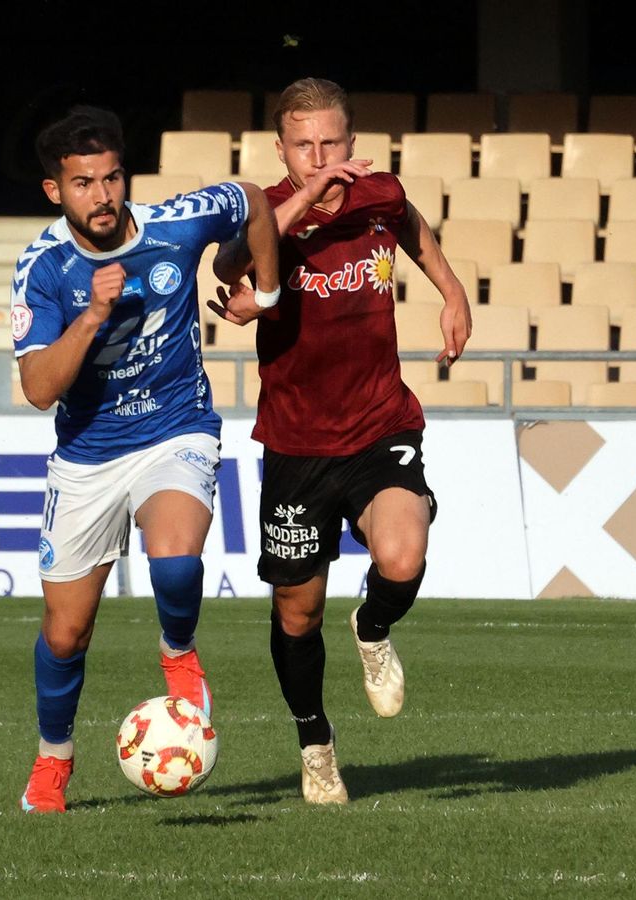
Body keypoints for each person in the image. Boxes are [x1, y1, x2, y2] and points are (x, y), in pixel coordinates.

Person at [210, 78, 472, 804]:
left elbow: (411, 224)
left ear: (351, 143)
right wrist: (304, 198)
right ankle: (315, 742)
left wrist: (451, 293)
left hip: (381, 422)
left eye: (331, 143)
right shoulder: (267, 212)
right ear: (281, 148)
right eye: (303, 145)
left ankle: (374, 624)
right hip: (297, 446)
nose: (319, 156)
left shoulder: (377, 193)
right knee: (296, 613)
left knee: (403, 550)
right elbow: (229, 265)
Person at [12, 106, 281, 813]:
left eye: (111, 178)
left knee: (174, 560)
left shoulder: (175, 225)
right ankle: (53, 762)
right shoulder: (43, 268)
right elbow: (39, 388)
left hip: (175, 428)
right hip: (89, 457)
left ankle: (178, 650)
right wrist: (92, 317)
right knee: (65, 633)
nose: (102, 196)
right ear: (54, 192)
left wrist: (271, 291)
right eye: (82, 184)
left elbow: (252, 200)